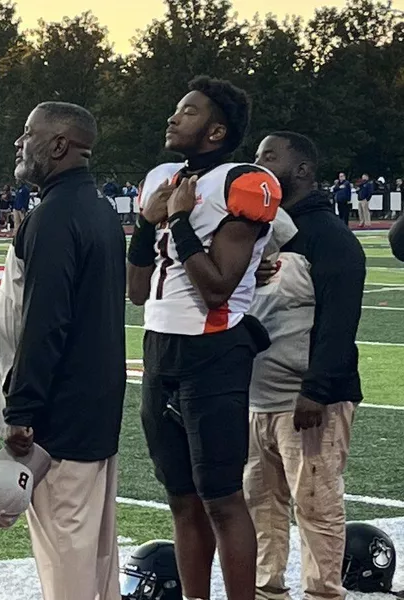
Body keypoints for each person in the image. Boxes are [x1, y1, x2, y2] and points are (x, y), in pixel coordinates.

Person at [126, 76, 281, 600]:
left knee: (220, 497)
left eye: (187, 111)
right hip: (159, 347)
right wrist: (150, 226)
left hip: (214, 351)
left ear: (216, 130)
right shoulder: (164, 177)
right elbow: (137, 289)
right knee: (181, 500)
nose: (174, 118)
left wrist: (180, 222)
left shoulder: (245, 180)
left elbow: (217, 289)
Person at [0, 101, 126, 600]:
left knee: (65, 553)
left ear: (59, 145)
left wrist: (23, 409)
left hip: (60, 416)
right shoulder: (101, 211)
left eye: (28, 134)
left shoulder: (53, 217)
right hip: (93, 405)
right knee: (96, 556)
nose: (19, 145)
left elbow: (45, 323)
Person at [244, 131, 366, 600]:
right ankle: (265, 589)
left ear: (302, 170)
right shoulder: (261, 231)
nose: (258, 166)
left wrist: (315, 388)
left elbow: (339, 321)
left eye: (269, 157)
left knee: (315, 504)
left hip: (308, 400)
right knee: (261, 504)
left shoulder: (329, 237)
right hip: (259, 397)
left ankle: (322, 592)